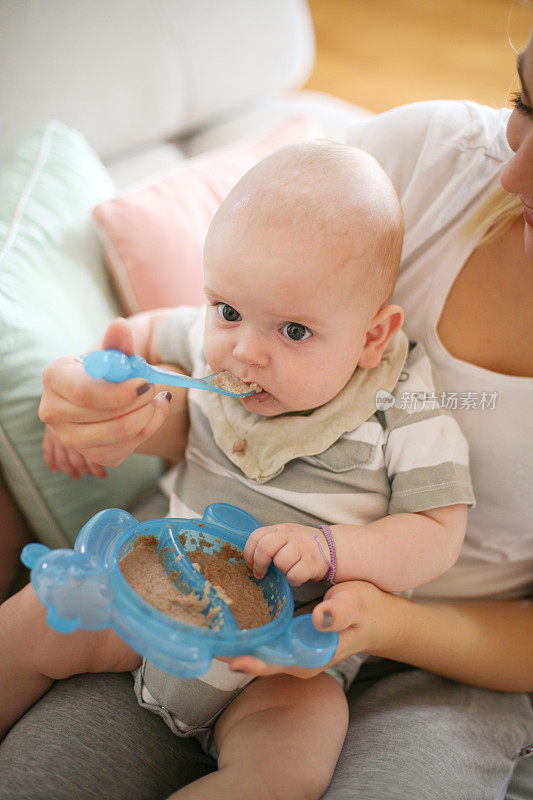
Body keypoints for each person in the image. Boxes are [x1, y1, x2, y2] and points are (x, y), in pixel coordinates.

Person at [0, 36, 531, 800]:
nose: (244, 354)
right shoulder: (233, 333)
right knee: (33, 623)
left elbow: (434, 535)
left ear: (375, 335)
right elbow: (141, 341)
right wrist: (91, 385)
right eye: (226, 311)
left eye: (293, 333)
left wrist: (333, 550)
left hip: (294, 649)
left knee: (287, 767)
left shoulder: (408, 403)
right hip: (164, 583)